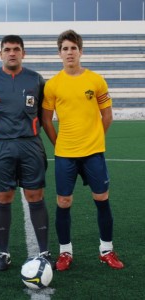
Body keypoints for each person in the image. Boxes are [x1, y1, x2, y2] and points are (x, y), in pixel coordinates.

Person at [42, 29, 124, 271]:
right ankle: (65, 252)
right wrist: (59, 144)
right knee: (64, 201)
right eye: (65, 48)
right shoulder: (53, 84)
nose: (69, 52)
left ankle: (106, 250)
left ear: (81, 51)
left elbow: (107, 115)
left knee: (101, 199)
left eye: (73, 48)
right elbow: (47, 120)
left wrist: (96, 138)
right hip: (65, 153)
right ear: (59, 53)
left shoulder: (96, 80)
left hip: (93, 152)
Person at [0, 35, 55, 271]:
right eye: (7, 49)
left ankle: (45, 252)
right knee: (3, 198)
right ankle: (3, 253)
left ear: (23, 53)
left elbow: (43, 112)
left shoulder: (35, 79)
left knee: (35, 196)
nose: (11, 53)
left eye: (16, 49)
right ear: (0, 53)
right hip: (0, 147)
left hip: (31, 145)